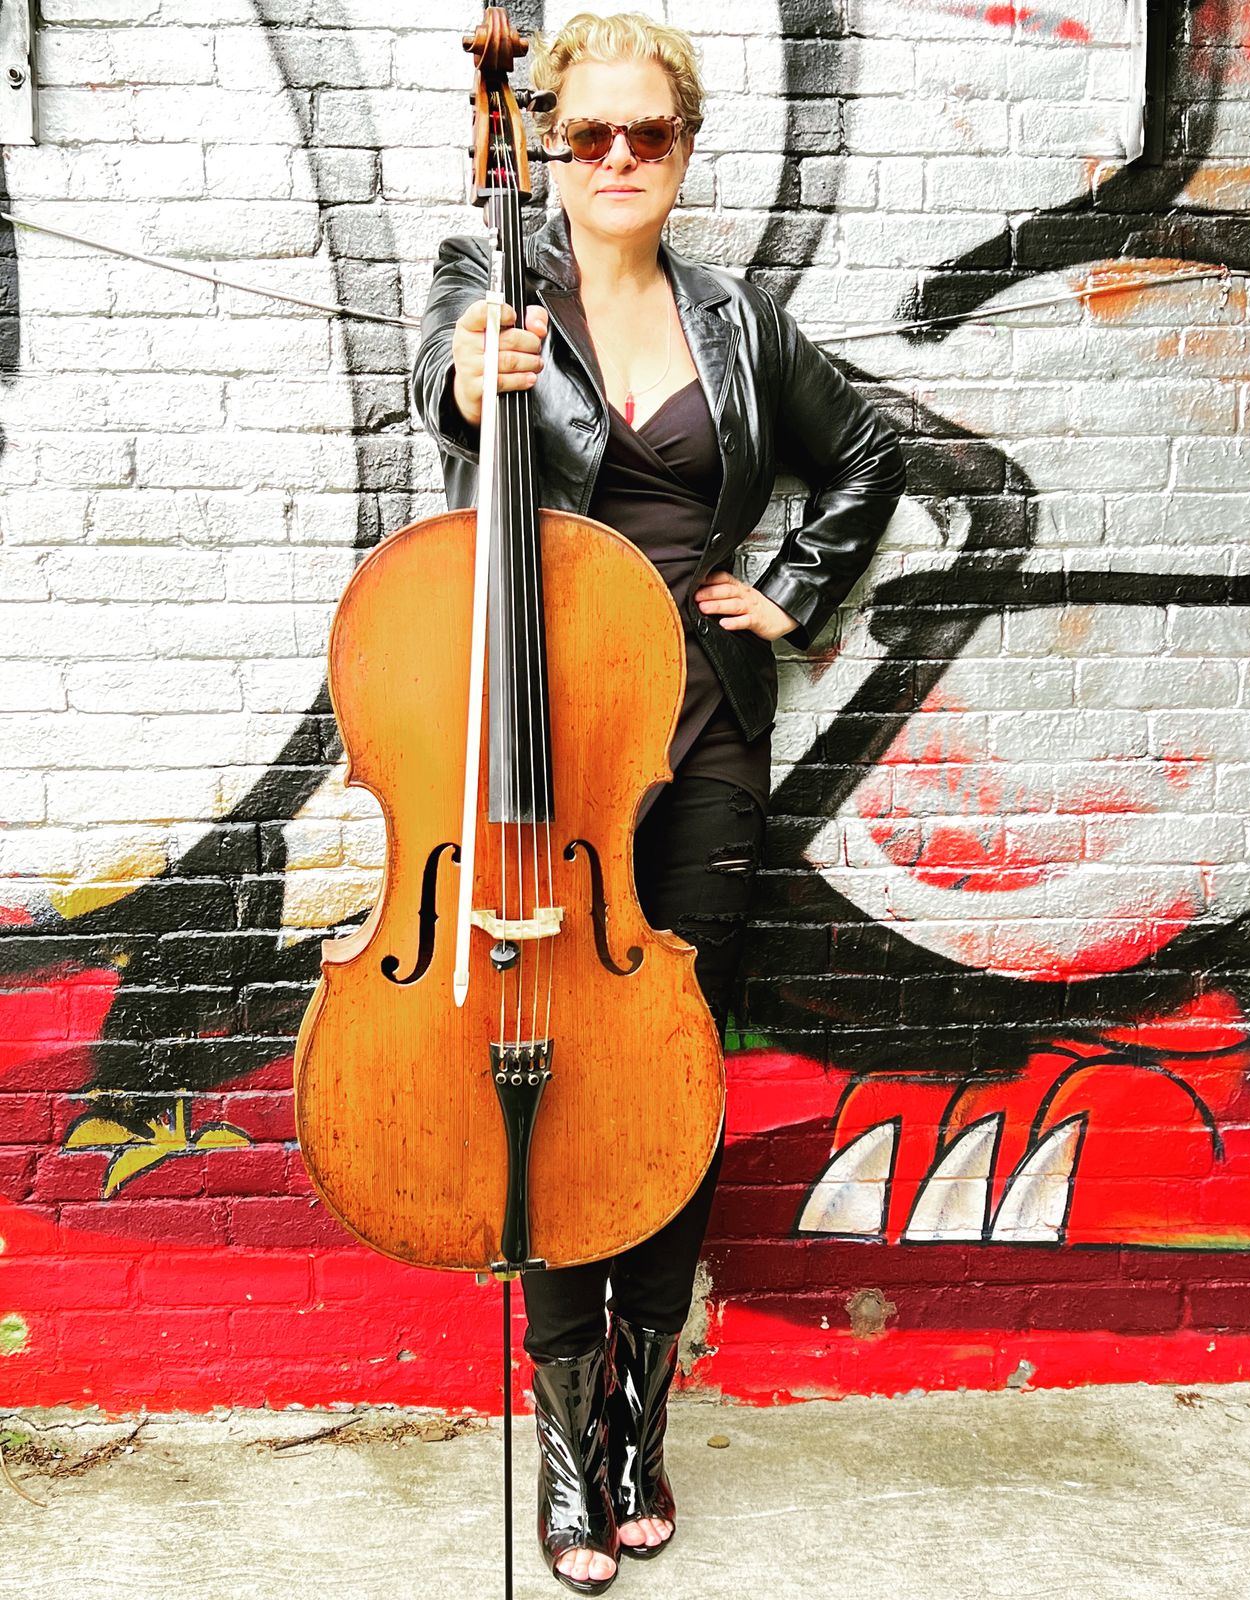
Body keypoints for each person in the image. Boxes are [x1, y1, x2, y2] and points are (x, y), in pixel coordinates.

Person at [412, 13, 905, 1593]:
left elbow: (867, 453)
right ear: (546, 144)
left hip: (700, 742)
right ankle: (568, 1435)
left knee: (675, 1076)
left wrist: (790, 594)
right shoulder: (490, 278)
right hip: (537, 756)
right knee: (547, 1081)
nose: (619, 159)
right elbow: (440, 378)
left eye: (651, 135)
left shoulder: (737, 323)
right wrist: (472, 383)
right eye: (590, 134)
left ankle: (641, 1416)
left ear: (685, 150)